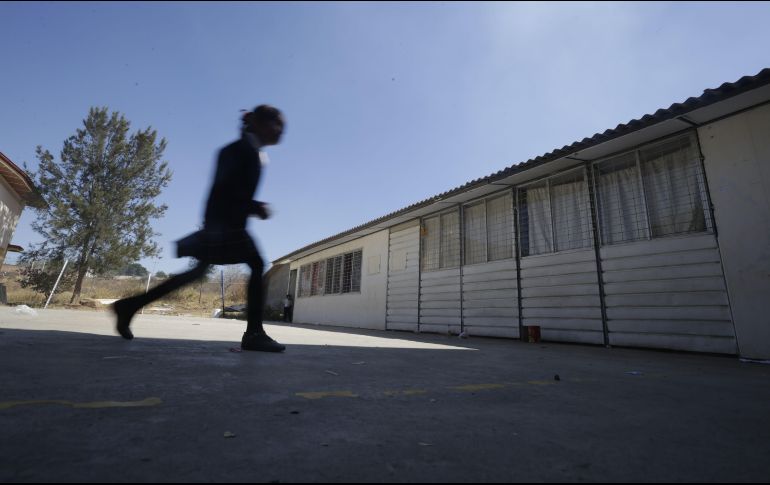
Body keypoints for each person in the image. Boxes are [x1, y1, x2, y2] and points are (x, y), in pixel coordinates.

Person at [112, 105, 286, 352]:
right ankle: (254, 333)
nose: (280, 131)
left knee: (199, 272)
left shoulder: (253, 153)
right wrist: (253, 208)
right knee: (256, 264)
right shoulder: (236, 151)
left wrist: (249, 208)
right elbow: (222, 191)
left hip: (226, 224)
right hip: (223, 224)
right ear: (257, 123)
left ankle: (128, 306)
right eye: (276, 124)